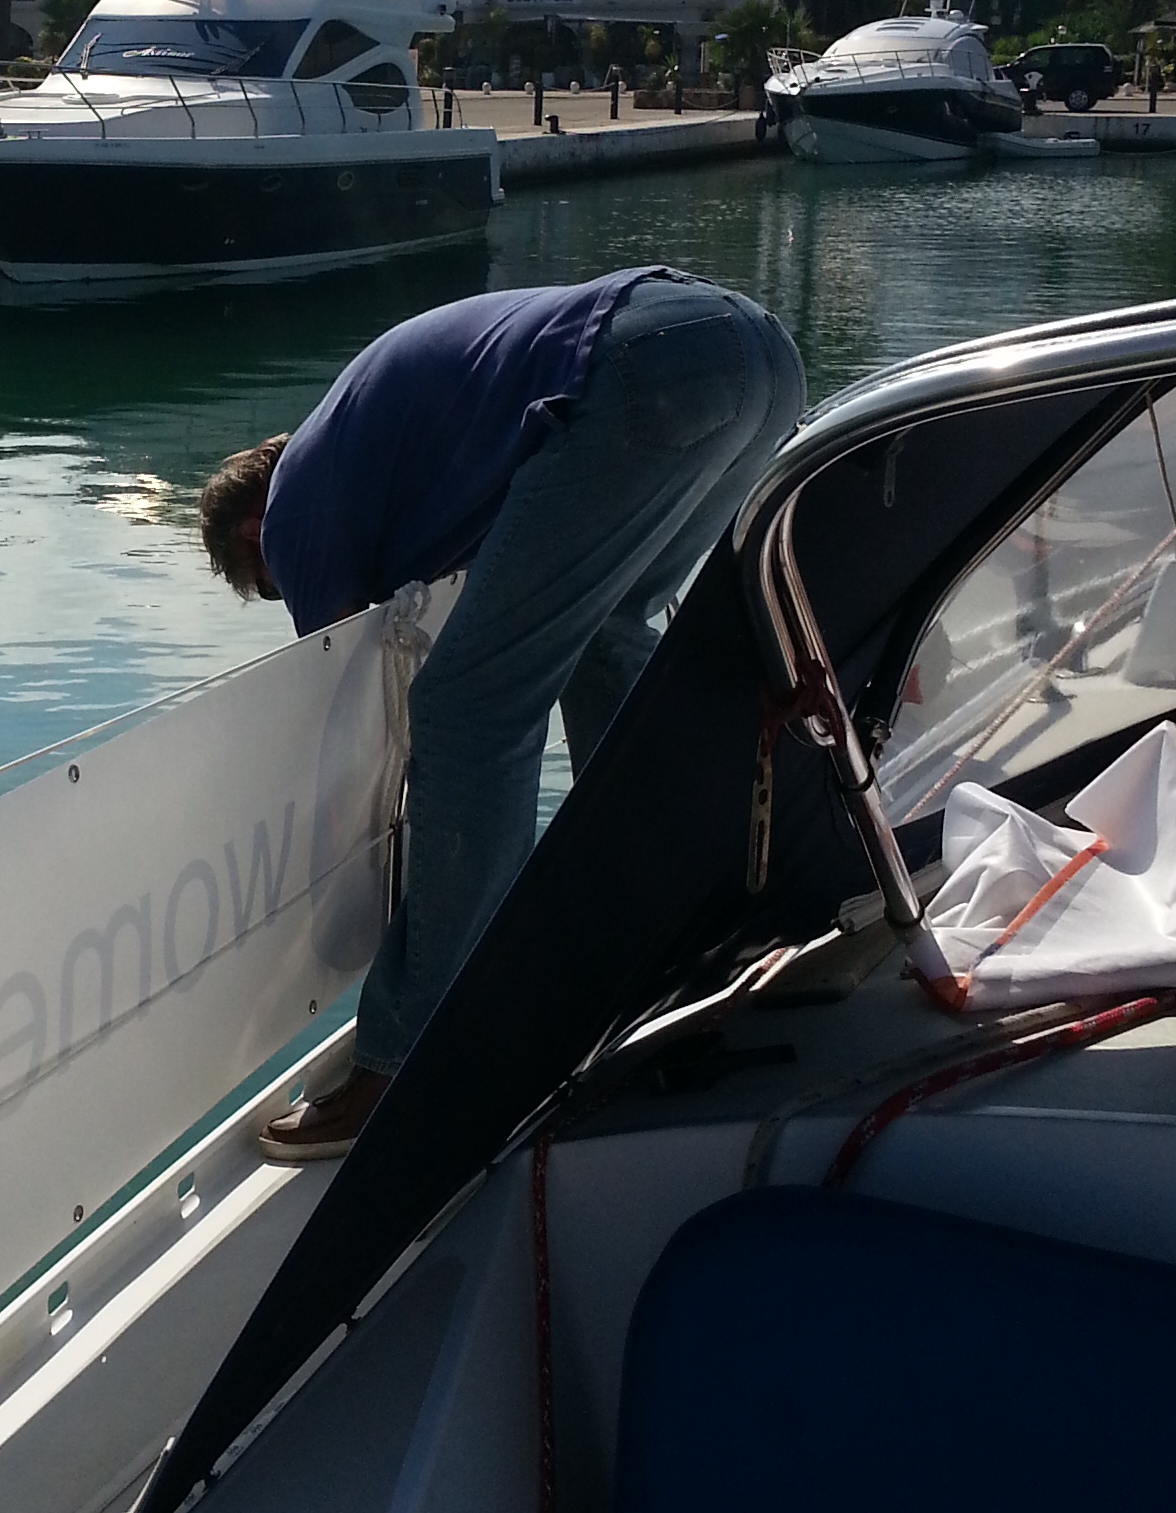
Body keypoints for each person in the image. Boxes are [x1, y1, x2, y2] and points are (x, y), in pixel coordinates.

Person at [201, 275, 805, 1157]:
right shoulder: (372, 443)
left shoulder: (294, 505)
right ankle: (668, 950)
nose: (286, 585)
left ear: (254, 537)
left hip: (644, 371)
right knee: (609, 645)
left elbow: (337, 690)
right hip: (756, 358)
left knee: (467, 710)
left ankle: (410, 1065)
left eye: (271, 586)